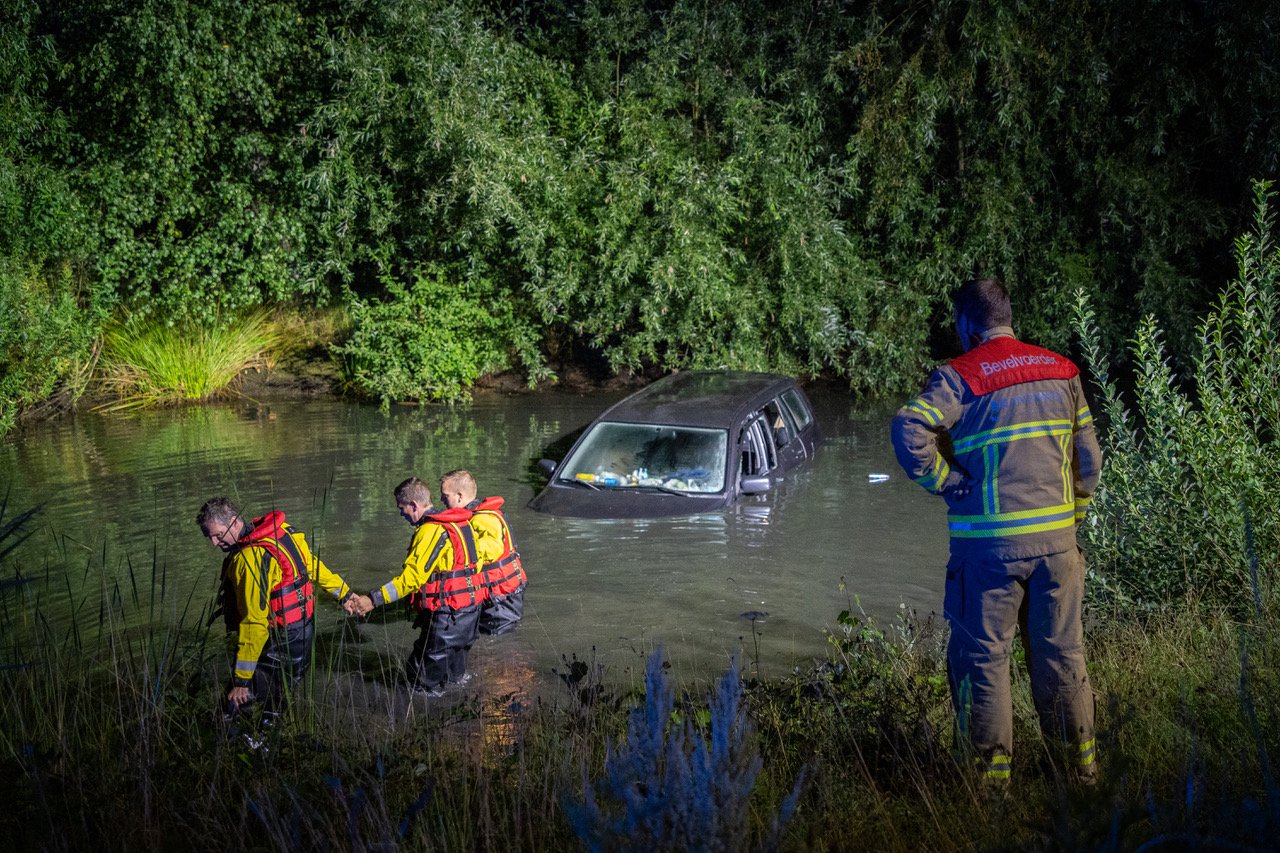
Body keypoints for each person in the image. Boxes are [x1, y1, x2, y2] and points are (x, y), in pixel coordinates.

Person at [890, 277, 1103, 784]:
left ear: (966, 323)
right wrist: (1070, 519)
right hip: (1058, 548)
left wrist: (947, 481)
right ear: (1008, 316)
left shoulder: (959, 377)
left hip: (988, 553)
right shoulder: (1063, 371)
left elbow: (908, 429)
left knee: (983, 663)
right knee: (1062, 655)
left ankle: (990, 791)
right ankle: (1081, 777)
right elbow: (1089, 460)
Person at [197, 497, 354, 733]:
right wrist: (345, 594)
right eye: (208, 537)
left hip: (281, 639)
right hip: (302, 631)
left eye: (218, 535)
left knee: (233, 704)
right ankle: (268, 741)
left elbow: (255, 623)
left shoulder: (250, 559)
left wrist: (241, 680)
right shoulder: (282, 533)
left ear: (233, 521)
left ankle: (227, 747)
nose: (213, 542)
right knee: (280, 695)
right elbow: (312, 567)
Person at [346, 477, 485, 697]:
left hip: (448, 617)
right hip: (470, 614)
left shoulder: (430, 531)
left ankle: (420, 724)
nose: (402, 514)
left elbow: (411, 579)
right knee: (455, 679)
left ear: (414, 505)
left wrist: (372, 600)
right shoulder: (461, 524)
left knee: (419, 685)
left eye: (402, 509)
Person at [438, 469, 526, 635]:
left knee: (497, 645)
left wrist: (456, 555)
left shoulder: (484, 519)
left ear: (459, 496)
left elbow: (493, 548)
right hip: (499, 595)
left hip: (501, 599)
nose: (441, 499)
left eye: (445, 495)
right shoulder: (477, 516)